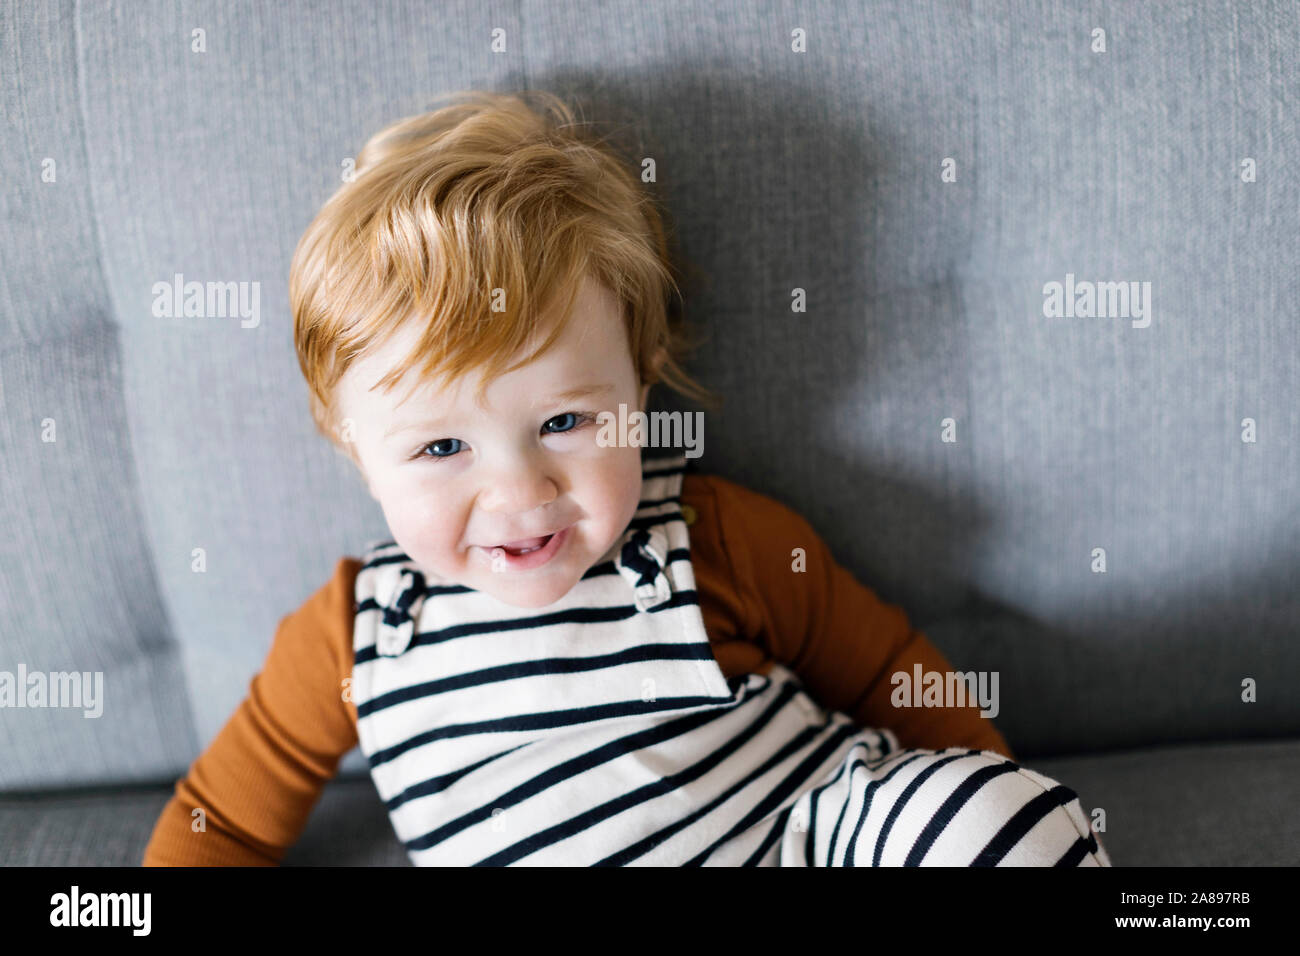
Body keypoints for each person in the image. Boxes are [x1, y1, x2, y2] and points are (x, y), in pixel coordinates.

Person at [142, 90, 1110, 866]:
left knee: (997, 821)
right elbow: (219, 817)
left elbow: (885, 669)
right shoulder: (352, 641)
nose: (520, 491)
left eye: (564, 421)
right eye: (442, 449)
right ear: (350, 442)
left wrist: (985, 787)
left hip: (819, 834)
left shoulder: (711, 536)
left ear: (638, 387)